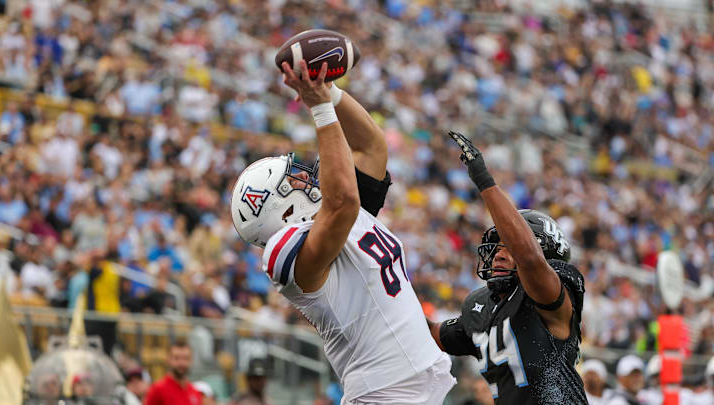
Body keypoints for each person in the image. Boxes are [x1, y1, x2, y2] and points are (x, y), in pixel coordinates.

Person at [230, 60, 454, 404]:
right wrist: (318, 108)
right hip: (385, 396)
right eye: (292, 182)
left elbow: (372, 146)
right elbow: (343, 203)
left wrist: (327, 91)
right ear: (282, 209)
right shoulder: (291, 252)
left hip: (413, 388)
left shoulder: (340, 215)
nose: (305, 178)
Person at [427, 132, 587, 404]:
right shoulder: (481, 305)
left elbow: (530, 260)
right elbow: (429, 335)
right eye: (497, 246)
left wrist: (484, 180)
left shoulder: (556, 285)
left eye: (509, 245)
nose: (500, 254)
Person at [144, 338, 202, 405]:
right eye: (176, 358)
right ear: (168, 359)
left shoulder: (194, 392)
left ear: (191, 361)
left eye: (186, 358)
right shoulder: (157, 390)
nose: (181, 363)